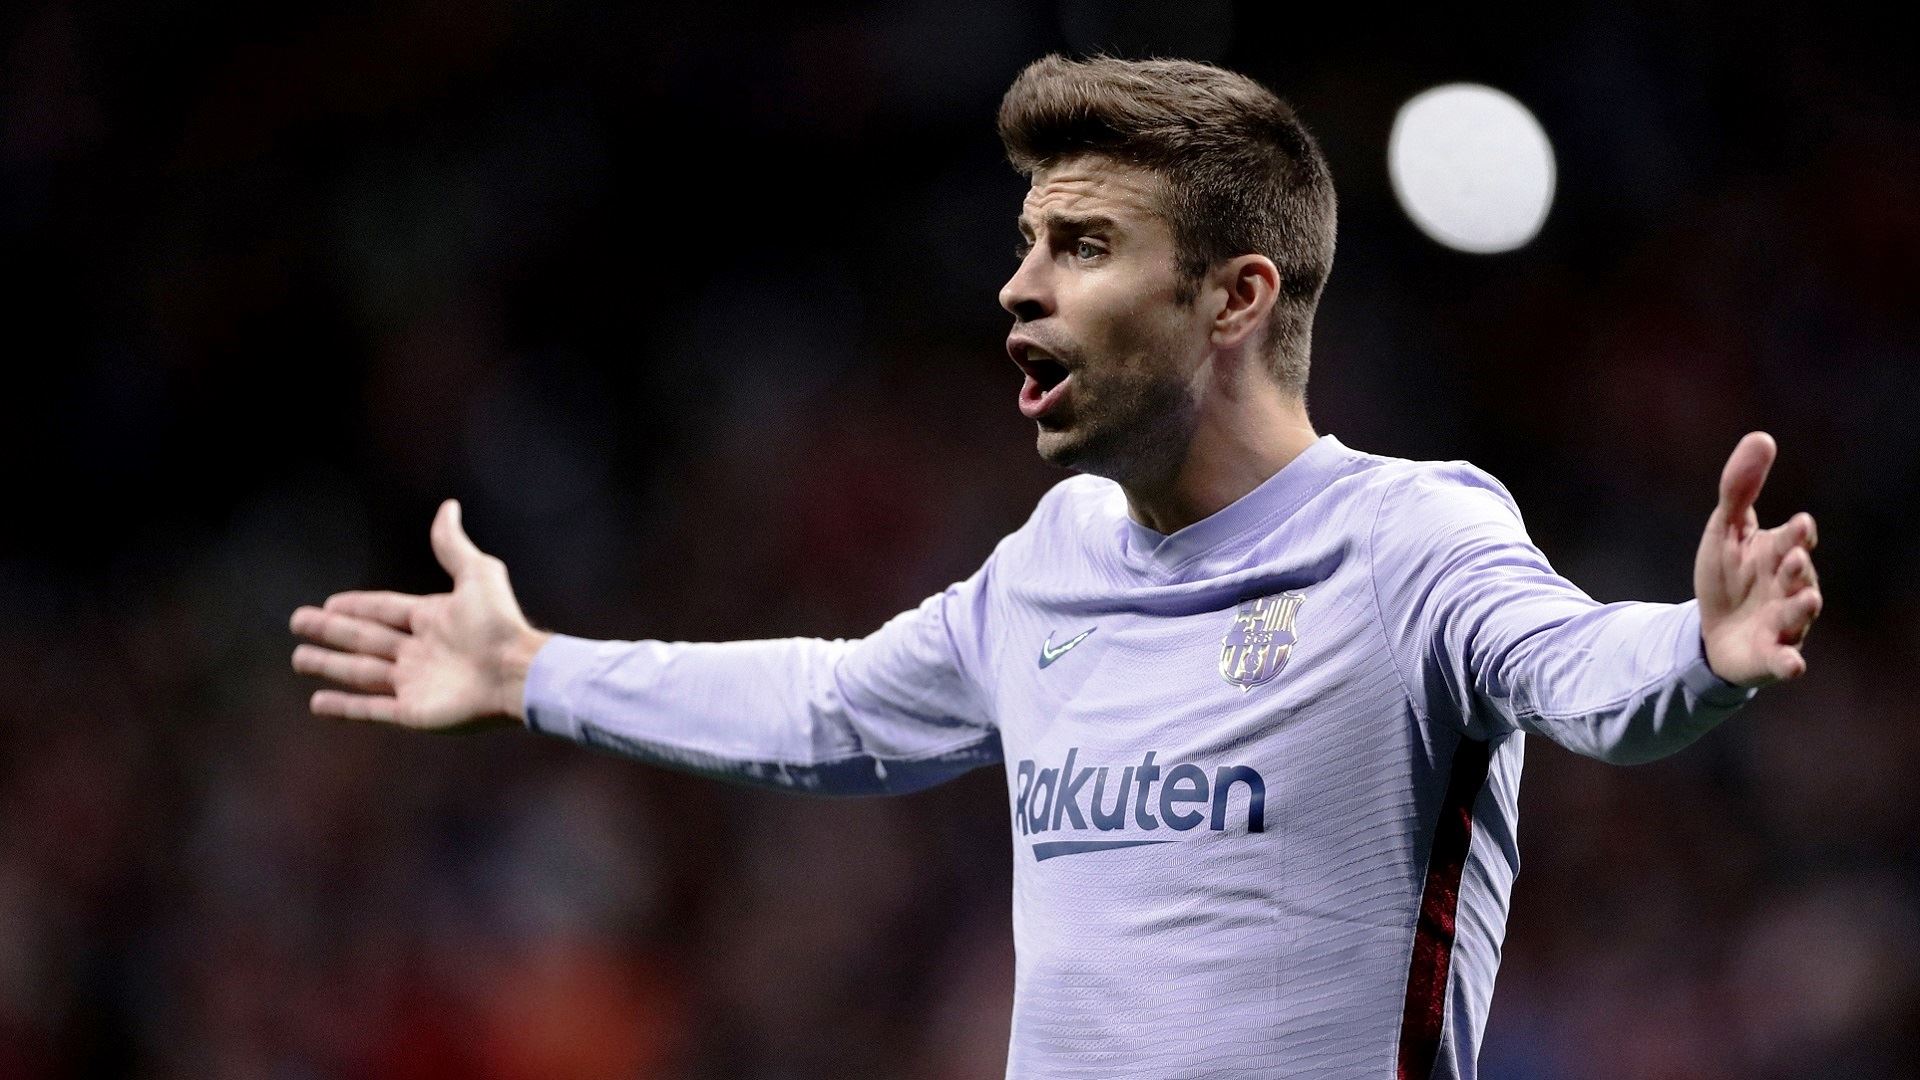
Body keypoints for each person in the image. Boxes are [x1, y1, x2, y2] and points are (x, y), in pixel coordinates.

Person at [289, 54, 1823, 1079]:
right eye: (1026, 242)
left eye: (1080, 245)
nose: (1017, 288)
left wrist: (1699, 649)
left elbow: (1581, 675)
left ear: (1235, 297)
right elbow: (830, 709)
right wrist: (530, 670)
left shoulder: (1412, 540)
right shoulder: (1051, 563)